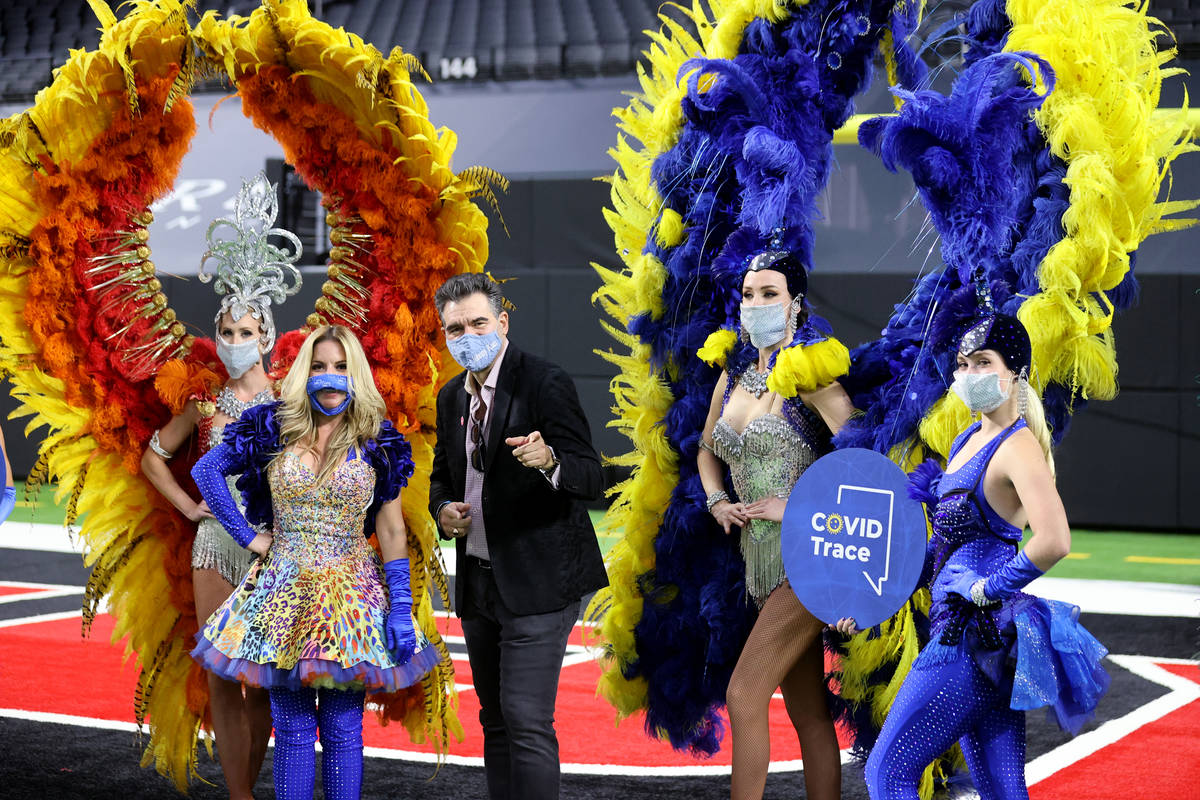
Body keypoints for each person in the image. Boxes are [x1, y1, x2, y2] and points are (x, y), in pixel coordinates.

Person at [862, 313, 1109, 799]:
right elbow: (943, 550)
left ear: (1014, 372)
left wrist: (987, 588)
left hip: (969, 636)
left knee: (886, 773)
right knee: (1002, 789)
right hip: (983, 639)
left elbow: (1055, 539)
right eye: (963, 364)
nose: (969, 375)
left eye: (983, 363)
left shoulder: (1018, 447)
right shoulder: (966, 439)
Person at [189, 325, 441, 800]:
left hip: (352, 600)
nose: (330, 376)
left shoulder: (377, 440)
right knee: (293, 730)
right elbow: (206, 470)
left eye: (342, 367)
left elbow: (389, 530)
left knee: (344, 731)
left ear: (357, 373)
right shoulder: (273, 426)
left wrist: (402, 605)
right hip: (282, 597)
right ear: (306, 370)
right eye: (321, 365)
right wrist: (248, 536)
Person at [141, 172, 302, 800]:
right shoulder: (203, 398)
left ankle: (252, 786)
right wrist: (189, 506)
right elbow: (155, 457)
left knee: (261, 677)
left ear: (266, 334)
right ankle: (240, 795)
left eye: (246, 332)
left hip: (273, 547)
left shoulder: (293, 399)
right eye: (226, 333)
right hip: (214, 546)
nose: (236, 343)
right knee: (222, 676)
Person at [429, 272, 607, 800]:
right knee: (497, 722)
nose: (467, 335)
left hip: (539, 580)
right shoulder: (449, 399)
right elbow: (442, 473)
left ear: (503, 322)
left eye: (478, 322)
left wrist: (551, 461)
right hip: (479, 584)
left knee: (527, 722)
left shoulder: (544, 381)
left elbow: (592, 475)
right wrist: (443, 509)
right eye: (455, 327)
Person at [696, 250, 856, 800]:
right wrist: (718, 500)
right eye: (748, 294)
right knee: (809, 711)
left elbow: (864, 467)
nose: (756, 304)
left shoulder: (810, 376)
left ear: (796, 303)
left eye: (770, 294)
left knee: (744, 694)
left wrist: (796, 507)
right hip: (756, 565)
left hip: (809, 561)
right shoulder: (733, 376)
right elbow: (706, 452)